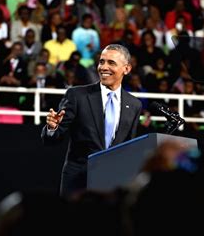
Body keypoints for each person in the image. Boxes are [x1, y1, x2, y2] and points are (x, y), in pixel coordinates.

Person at [41, 44, 142, 197]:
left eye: (111, 63)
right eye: (101, 61)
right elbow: (52, 138)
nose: (103, 67)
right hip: (79, 181)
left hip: (113, 183)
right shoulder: (77, 95)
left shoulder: (134, 105)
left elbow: (129, 147)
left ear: (126, 69)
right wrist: (52, 128)